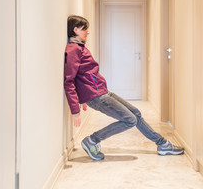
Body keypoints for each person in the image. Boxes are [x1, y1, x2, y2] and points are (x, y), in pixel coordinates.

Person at [64, 15, 184, 160]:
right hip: (96, 96)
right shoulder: (73, 50)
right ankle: (92, 140)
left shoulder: (79, 47)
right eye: (85, 29)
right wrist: (75, 109)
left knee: (136, 114)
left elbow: (81, 76)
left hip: (100, 91)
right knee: (130, 120)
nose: (88, 32)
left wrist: (82, 97)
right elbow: (69, 80)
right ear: (75, 30)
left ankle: (162, 144)